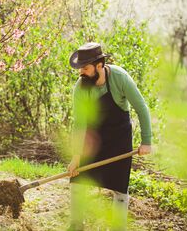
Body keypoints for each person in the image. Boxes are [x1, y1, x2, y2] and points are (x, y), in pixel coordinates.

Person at [67, 42, 152, 231]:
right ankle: (76, 225)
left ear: (100, 65)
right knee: (77, 181)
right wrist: (76, 156)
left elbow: (141, 108)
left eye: (85, 68)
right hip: (92, 139)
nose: (81, 73)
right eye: (80, 68)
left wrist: (146, 141)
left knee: (120, 189)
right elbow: (79, 124)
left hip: (118, 138)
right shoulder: (81, 87)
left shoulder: (120, 78)